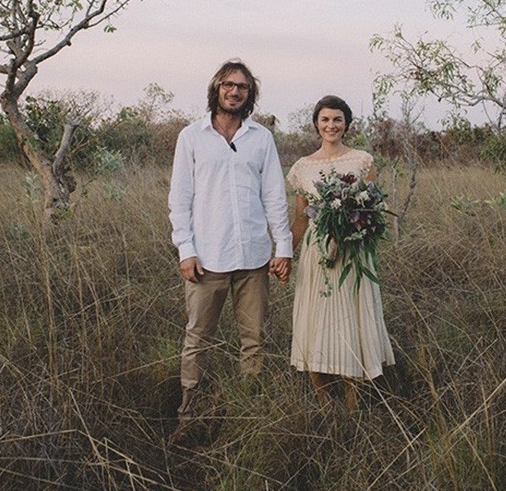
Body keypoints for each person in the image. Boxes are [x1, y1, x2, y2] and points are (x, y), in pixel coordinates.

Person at [168, 59, 293, 437]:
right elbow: (179, 199)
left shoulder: (261, 138)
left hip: (254, 258)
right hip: (207, 259)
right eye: (228, 85)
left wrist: (282, 246)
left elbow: (274, 195)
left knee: (254, 340)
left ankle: (248, 413)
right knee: (197, 340)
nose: (234, 91)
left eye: (242, 87)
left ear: (249, 94)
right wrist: (185, 250)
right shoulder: (192, 137)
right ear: (217, 89)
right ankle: (188, 417)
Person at [287, 95, 395, 410]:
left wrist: (356, 228)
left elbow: (376, 209)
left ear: (346, 124)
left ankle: (352, 402)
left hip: (353, 253)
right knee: (315, 321)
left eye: (337, 119)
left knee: (351, 320)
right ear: (316, 124)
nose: (331, 125)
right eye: (325, 119)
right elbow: (300, 218)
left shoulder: (362, 161)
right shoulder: (302, 167)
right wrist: (283, 255)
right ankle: (324, 401)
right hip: (316, 255)